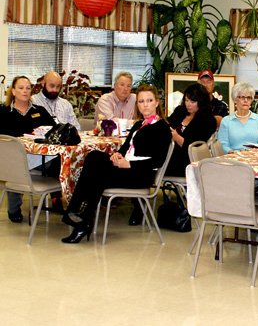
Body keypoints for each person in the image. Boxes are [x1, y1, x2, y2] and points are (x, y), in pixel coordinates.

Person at [61, 85, 172, 243]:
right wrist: (117, 154)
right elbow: (126, 147)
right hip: (127, 169)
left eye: (149, 100)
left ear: (156, 103)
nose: (145, 104)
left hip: (141, 174)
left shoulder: (162, 128)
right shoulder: (139, 124)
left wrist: (129, 165)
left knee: (99, 174)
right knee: (93, 156)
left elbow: (158, 160)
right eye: (141, 101)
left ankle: (80, 219)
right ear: (137, 105)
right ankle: (80, 217)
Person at [0, 76, 56, 223]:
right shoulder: (3, 112)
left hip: (40, 158)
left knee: (61, 161)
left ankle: (67, 203)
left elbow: (53, 131)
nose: (25, 91)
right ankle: (14, 210)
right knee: (16, 166)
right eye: (21, 88)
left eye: (28, 88)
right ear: (13, 91)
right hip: (13, 158)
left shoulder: (40, 111)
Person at [166, 83, 216, 176]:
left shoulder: (208, 121)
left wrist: (177, 137)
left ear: (201, 102)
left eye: (193, 102)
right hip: (169, 153)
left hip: (186, 162)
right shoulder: (180, 111)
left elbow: (195, 148)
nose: (188, 104)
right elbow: (167, 125)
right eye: (186, 100)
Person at [217, 81, 258, 153]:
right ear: (235, 99)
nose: (246, 100)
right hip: (233, 159)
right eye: (242, 97)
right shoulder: (226, 121)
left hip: (254, 157)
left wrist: (252, 152)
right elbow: (223, 145)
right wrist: (233, 152)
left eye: (249, 97)